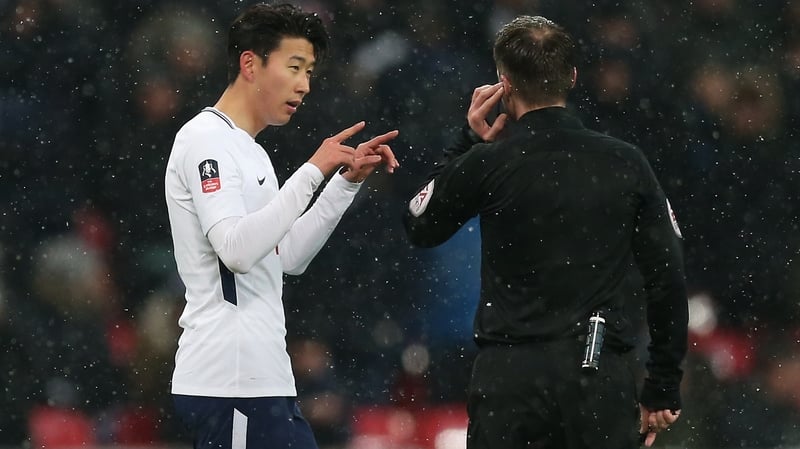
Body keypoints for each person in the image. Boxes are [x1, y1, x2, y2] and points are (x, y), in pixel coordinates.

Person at [402, 15, 688, 449]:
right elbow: (667, 275)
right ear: (572, 77)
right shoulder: (624, 162)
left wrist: (466, 142)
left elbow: (418, 225)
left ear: (504, 83)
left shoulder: (490, 162)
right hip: (595, 374)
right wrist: (663, 384)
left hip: (509, 382)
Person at [164, 3, 398, 449]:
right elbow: (234, 249)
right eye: (294, 67)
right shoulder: (204, 140)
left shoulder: (253, 152)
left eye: (309, 71)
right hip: (228, 382)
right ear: (250, 63)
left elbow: (285, 258)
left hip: (264, 381)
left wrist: (342, 184)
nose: (304, 85)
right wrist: (313, 169)